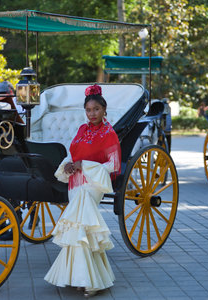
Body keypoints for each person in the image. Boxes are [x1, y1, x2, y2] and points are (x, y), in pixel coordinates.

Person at [44, 84, 121, 297]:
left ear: (104, 110)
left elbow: (113, 166)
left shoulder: (109, 133)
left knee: (81, 228)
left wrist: (83, 165)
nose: (92, 113)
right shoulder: (81, 130)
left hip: (92, 186)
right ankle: (83, 277)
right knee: (79, 231)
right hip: (75, 184)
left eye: (96, 109)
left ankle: (90, 281)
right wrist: (69, 163)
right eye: (88, 110)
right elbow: (72, 152)